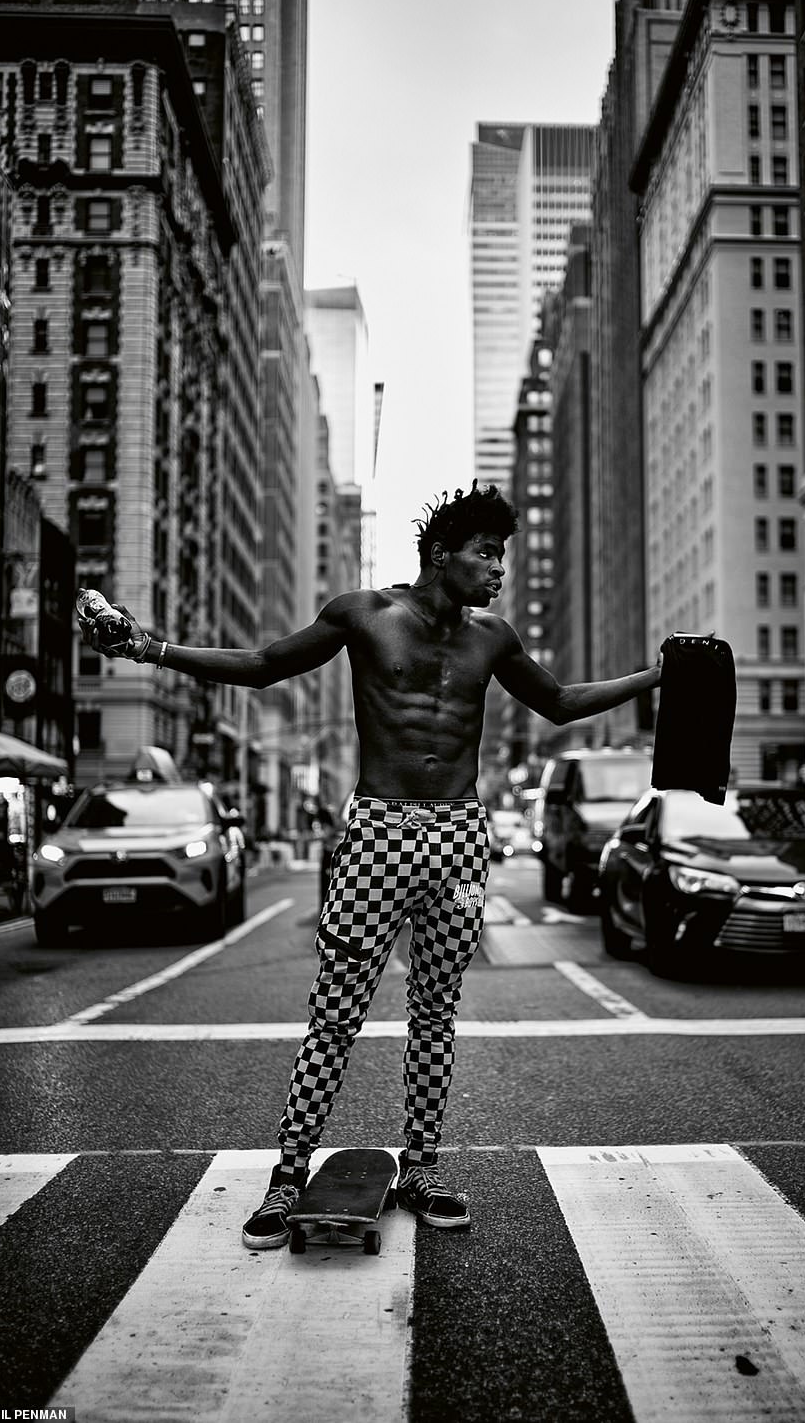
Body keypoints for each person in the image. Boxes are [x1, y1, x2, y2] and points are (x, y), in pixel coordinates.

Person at [82, 482, 662, 1243]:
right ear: (439, 554)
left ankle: (420, 1164)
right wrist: (145, 646)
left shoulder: (494, 637)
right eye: (486, 554)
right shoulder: (363, 614)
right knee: (336, 1013)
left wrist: (656, 677)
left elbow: (559, 701)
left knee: (435, 1012)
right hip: (379, 833)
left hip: (460, 838)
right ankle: (289, 1176)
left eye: (503, 556)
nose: (499, 570)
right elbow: (261, 664)